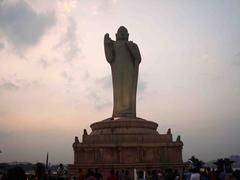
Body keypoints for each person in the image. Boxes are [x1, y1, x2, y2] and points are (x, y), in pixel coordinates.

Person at [104, 26, 141, 118]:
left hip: (129, 71)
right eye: (121, 32)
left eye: (124, 32)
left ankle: (129, 111)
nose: (123, 33)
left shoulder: (132, 45)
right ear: (116, 35)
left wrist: (131, 49)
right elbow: (109, 58)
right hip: (117, 71)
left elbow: (138, 58)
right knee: (119, 91)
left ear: (128, 35)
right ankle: (117, 112)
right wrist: (106, 44)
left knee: (128, 91)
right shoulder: (113, 44)